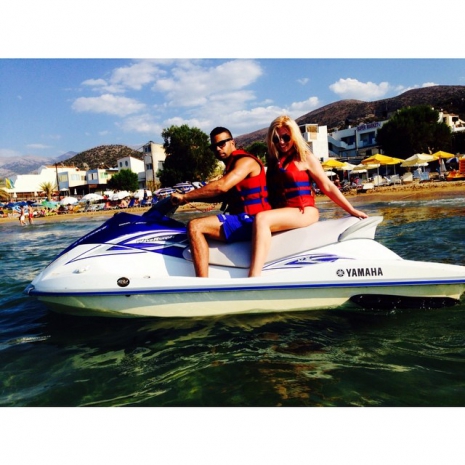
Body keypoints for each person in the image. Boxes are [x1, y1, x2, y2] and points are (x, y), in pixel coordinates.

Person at [248, 115, 368, 277]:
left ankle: (253, 277)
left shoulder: (306, 158)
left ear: (294, 136)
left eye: (285, 137)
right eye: (276, 139)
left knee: (262, 219)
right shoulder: (274, 160)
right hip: (283, 212)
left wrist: (351, 210)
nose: (281, 142)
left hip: (304, 210)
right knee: (256, 220)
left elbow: (327, 186)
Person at [171, 126, 271, 277]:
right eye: (214, 147)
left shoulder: (245, 161)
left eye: (221, 144)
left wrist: (186, 196)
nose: (218, 149)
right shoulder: (232, 165)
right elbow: (221, 196)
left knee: (195, 226)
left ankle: (202, 283)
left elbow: (221, 186)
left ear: (232, 142)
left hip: (251, 220)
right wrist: (188, 199)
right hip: (243, 219)